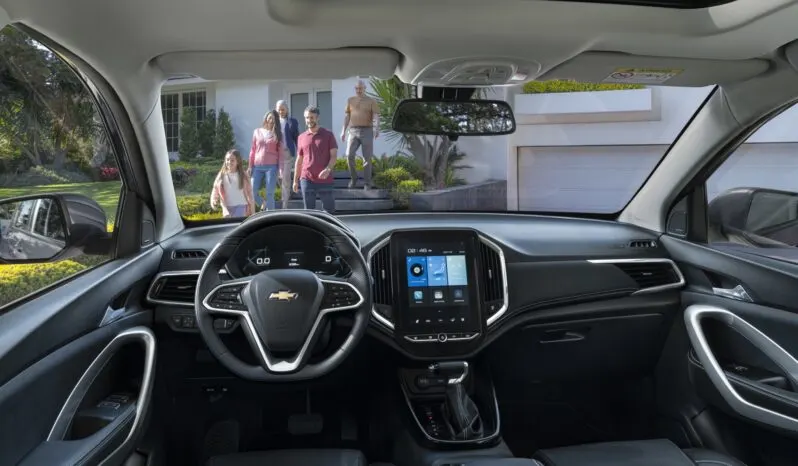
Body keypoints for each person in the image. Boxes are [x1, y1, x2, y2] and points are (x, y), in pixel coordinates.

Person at [294, 106, 338, 214]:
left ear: (318, 118)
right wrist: (295, 180)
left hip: (325, 178)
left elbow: (333, 156)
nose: (309, 120)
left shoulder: (328, 134)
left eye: (312, 117)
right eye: (307, 117)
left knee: (329, 211)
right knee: (309, 212)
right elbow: (299, 160)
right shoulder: (301, 137)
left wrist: (328, 169)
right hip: (306, 178)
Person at [340, 79, 379, 189]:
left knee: (367, 158)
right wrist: (343, 131)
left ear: (364, 88)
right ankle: (354, 179)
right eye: (357, 88)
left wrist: (376, 128)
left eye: (360, 88)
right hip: (353, 131)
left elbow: (376, 116)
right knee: (349, 155)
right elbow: (347, 116)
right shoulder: (350, 100)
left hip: (367, 131)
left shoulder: (371, 101)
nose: (358, 90)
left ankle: (367, 183)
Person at [248, 110, 283, 211]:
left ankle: (271, 214)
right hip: (257, 166)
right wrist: (250, 166)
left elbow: (280, 154)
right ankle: (263, 203)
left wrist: (280, 169)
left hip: (271, 167)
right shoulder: (257, 131)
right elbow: (253, 150)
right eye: (270, 117)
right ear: (266, 118)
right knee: (252, 191)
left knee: (270, 193)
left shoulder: (278, 134)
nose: (271, 120)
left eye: (274, 118)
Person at [210, 149, 255, 218]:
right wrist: (214, 200)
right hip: (227, 208)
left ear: (238, 162)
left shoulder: (243, 175)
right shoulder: (222, 174)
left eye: (232, 160)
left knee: (237, 223)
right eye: (227, 160)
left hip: (241, 206)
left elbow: (250, 193)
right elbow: (215, 188)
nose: (229, 162)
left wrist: (252, 211)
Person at [276, 100, 300, 209]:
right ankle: (287, 192)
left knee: (285, 177)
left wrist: (300, 151)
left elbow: (296, 137)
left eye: (283, 109)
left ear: (287, 109)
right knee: (279, 177)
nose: (281, 111)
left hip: (287, 153)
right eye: (279, 109)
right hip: (276, 154)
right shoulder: (273, 122)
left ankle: (284, 204)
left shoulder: (292, 122)